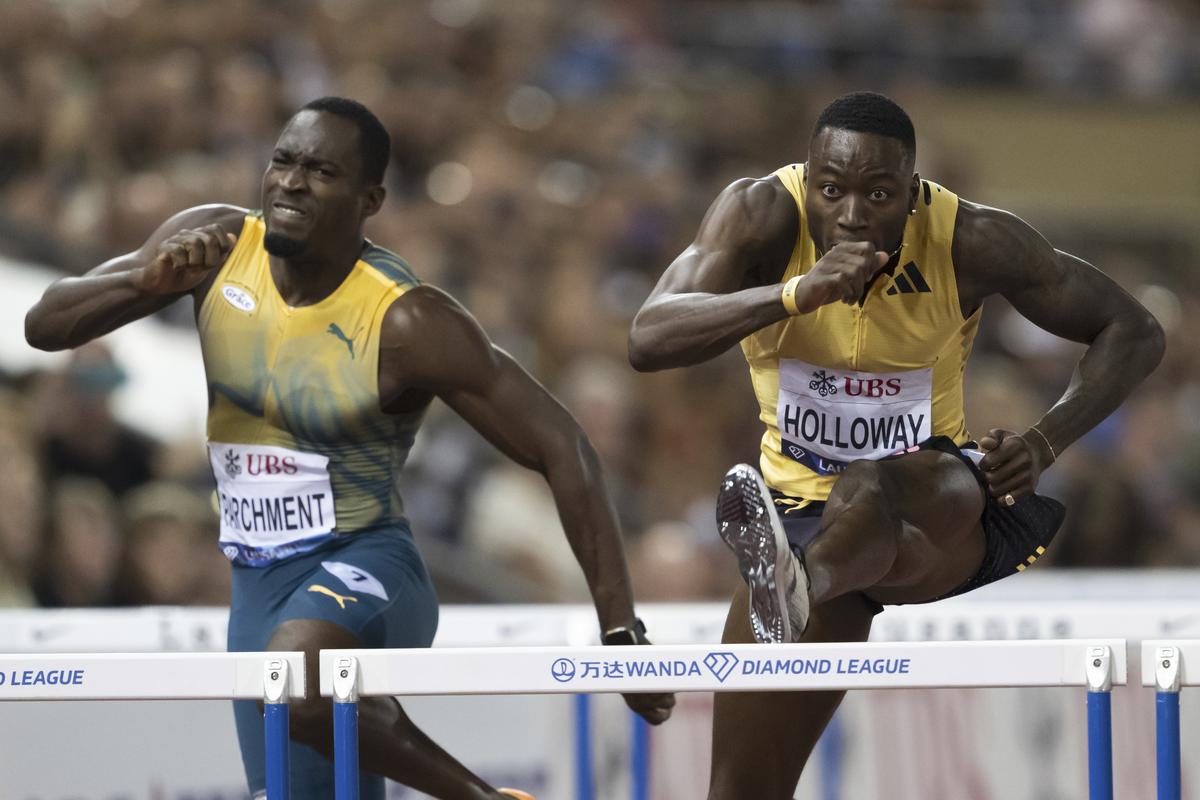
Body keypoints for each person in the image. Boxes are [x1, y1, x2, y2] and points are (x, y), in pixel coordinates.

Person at [26, 96, 674, 800]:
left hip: (367, 568)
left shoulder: (408, 321)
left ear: (371, 199)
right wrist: (140, 281)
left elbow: (564, 446)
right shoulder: (213, 248)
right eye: (283, 161)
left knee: (301, 682)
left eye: (322, 171)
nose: (292, 183)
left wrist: (621, 634)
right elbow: (44, 326)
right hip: (256, 586)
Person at [627, 91, 1163, 798]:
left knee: (872, 486)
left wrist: (1044, 440)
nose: (850, 213)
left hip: (932, 509)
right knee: (739, 790)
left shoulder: (970, 239)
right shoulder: (759, 213)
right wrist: (793, 295)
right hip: (801, 525)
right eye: (831, 189)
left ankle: (797, 589)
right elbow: (648, 336)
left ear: (912, 193)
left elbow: (1135, 331)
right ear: (808, 178)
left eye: (878, 193)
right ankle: (799, 584)